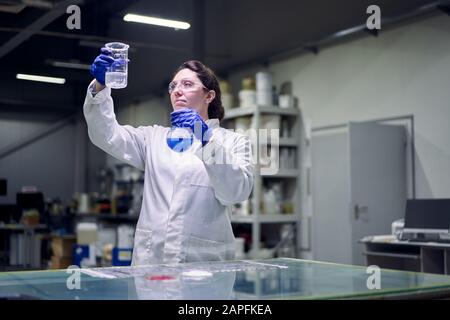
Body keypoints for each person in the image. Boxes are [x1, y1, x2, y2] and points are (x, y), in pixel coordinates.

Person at [83, 48, 254, 266]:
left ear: (209, 96)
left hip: (203, 267)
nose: (177, 91)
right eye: (173, 86)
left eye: (187, 84)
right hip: (152, 263)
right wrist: (100, 86)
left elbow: (235, 193)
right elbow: (105, 135)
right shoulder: (153, 138)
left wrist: (204, 138)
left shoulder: (233, 142)